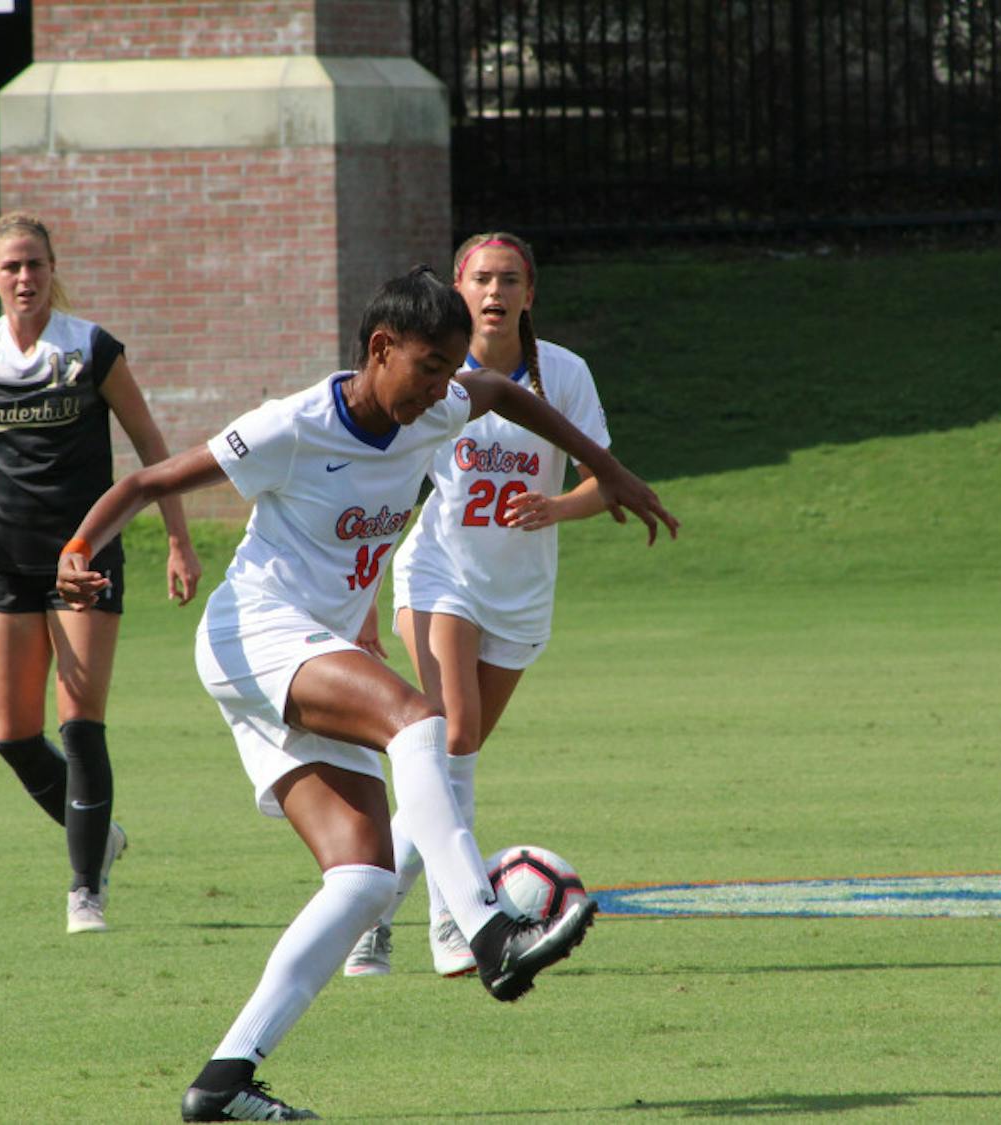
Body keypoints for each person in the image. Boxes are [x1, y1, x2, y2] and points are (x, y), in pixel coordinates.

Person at [54, 266, 678, 1122]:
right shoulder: (293, 425)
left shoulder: (440, 405)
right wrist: (77, 551)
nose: (442, 387)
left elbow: (504, 392)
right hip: (254, 634)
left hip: (310, 653)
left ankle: (223, 1082)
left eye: (450, 368)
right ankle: (489, 930)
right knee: (419, 720)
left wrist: (612, 472)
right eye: (429, 366)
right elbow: (146, 483)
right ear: (381, 347)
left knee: (363, 880)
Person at [345, 230, 619, 980]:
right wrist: (363, 601)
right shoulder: (437, 374)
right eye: (481, 279)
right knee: (453, 732)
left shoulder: (563, 372)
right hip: (440, 575)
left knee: (447, 763)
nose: (495, 292)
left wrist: (557, 507)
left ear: (530, 294)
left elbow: (605, 478)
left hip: (520, 594)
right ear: (458, 291)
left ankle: (368, 914)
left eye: (509, 280)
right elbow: (387, 492)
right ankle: (459, 926)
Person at [0, 212, 202, 935]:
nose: (25, 278)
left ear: (52, 271)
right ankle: (102, 837)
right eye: (12, 266)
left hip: (84, 556)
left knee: (79, 725)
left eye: (36, 265)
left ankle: (85, 889)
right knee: (14, 736)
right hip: (6, 558)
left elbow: (153, 449)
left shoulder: (90, 348)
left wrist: (178, 539)